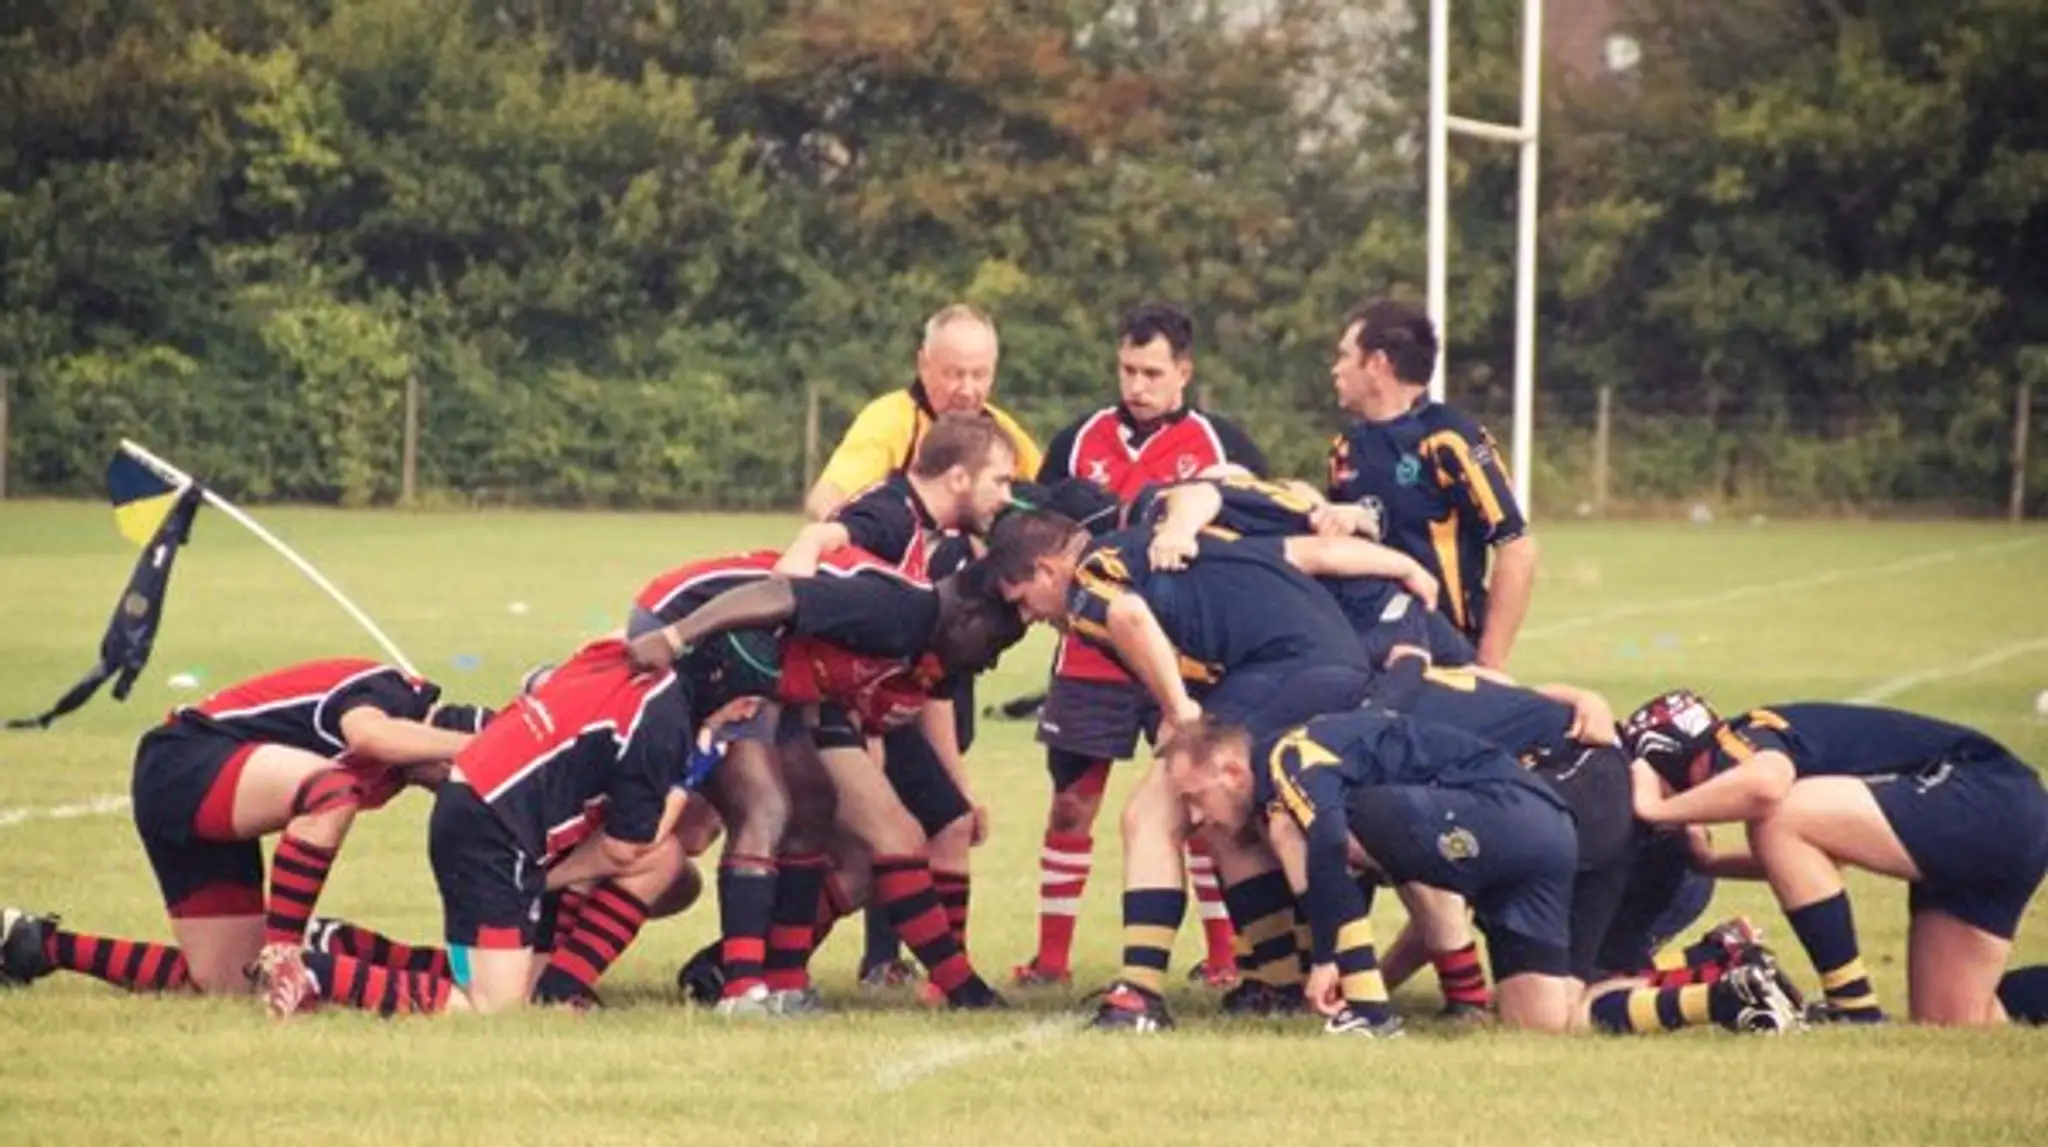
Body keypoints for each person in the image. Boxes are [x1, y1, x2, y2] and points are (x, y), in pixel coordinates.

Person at [985, 509, 1429, 1028]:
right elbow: (1308, 554)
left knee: (1151, 814)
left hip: (1286, 667)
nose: (1029, 617)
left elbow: (1128, 616)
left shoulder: (1090, 577)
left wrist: (1181, 713)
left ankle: (1140, 994)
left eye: (1023, 600)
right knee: (1226, 818)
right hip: (1326, 664)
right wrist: (1405, 565)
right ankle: (1281, 982)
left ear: (1046, 569)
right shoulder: (1152, 547)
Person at [249, 638, 769, 1018]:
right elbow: (625, 848)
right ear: (723, 685)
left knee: (664, 861)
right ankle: (314, 970)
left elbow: (544, 682)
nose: (750, 711)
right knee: (494, 1009)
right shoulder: (666, 729)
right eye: (750, 698)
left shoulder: (630, 659)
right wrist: (688, 775)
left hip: (496, 814)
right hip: (492, 833)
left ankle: (556, 992)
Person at [1019, 304, 1268, 988]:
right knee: (1072, 804)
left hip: (1184, 655)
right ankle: (1050, 960)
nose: (1137, 385)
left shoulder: (1222, 445)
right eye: (1127, 369)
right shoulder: (1077, 441)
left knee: (1202, 800)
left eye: (1152, 372)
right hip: (1091, 654)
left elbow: (1261, 526)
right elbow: (1036, 540)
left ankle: (1223, 959)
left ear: (1184, 371)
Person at [0, 659, 480, 1000]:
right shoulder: (394, 691)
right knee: (332, 791)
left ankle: (33, 945)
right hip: (185, 759)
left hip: (204, 795)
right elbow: (368, 735)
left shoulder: (396, 775)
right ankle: (285, 953)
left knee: (228, 984)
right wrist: (473, 748)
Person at [1622, 691, 2048, 1026]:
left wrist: (1657, 809)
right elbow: (1810, 860)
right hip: (2004, 811)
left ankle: (1853, 1008)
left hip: (1981, 795)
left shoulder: (1741, 738)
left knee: (1779, 815)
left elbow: (1767, 789)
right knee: (1950, 1021)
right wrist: (1711, 862)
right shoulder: (1764, 751)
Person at [1163, 711, 1583, 1035]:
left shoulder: (1286, 758)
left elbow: (1330, 842)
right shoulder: (1324, 746)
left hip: (1495, 811)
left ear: (1233, 773)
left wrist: (1326, 959)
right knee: (1540, 1025)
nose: (1196, 817)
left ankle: (1369, 1012)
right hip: (1549, 832)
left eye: (1196, 797)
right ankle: (1624, 1004)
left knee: (1294, 826)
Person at [781, 413, 1017, 987]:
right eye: (1001, 480)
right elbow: (829, 539)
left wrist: (960, 782)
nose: (1008, 496)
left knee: (949, 823)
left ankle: (946, 980)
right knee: (867, 847)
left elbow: (935, 678)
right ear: (958, 478)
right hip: (814, 701)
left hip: (875, 712)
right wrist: (803, 557)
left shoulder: (948, 543)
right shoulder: (888, 516)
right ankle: (754, 966)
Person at [1326, 299, 1538, 671]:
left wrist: (1488, 665)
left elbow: (1517, 548)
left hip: (1447, 658)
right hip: (1371, 656)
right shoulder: (1345, 449)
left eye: (1344, 356)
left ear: (1377, 364)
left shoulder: (1449, 438)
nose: (1335, 369)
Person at [805, 304, 1041, 521]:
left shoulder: (1003, 434)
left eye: (979, 375)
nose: (967, 390)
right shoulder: (891, 419)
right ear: (924, 365)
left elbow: (1048, 501)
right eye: (954, 374)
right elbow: (824, 501)